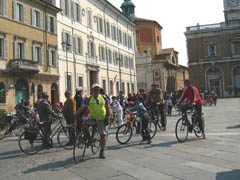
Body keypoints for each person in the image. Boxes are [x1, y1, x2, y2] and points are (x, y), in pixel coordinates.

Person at [77, 83, 110, 159]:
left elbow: (107, 108)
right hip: (92, 118)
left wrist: (107, 118)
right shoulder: (88, 98)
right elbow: (82, 107)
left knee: (102, 135)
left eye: (98, 89)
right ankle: (87, 137)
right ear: (92, 90)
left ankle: (102, 151)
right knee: (83, 124)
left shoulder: (104, 98)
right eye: (95, 89)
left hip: (101, 118)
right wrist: (76, 114)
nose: (96, 90)